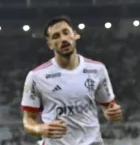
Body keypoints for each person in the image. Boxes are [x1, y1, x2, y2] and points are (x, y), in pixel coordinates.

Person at [20, 16, 123, 144]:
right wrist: (40, 128)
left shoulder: (97, 69)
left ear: (74, 35)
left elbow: (108, 107)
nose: (63, 39)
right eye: (56, 36)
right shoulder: (36, 76)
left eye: (66, 32)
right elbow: (28, 121)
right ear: (50, 45)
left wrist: (111, 113)